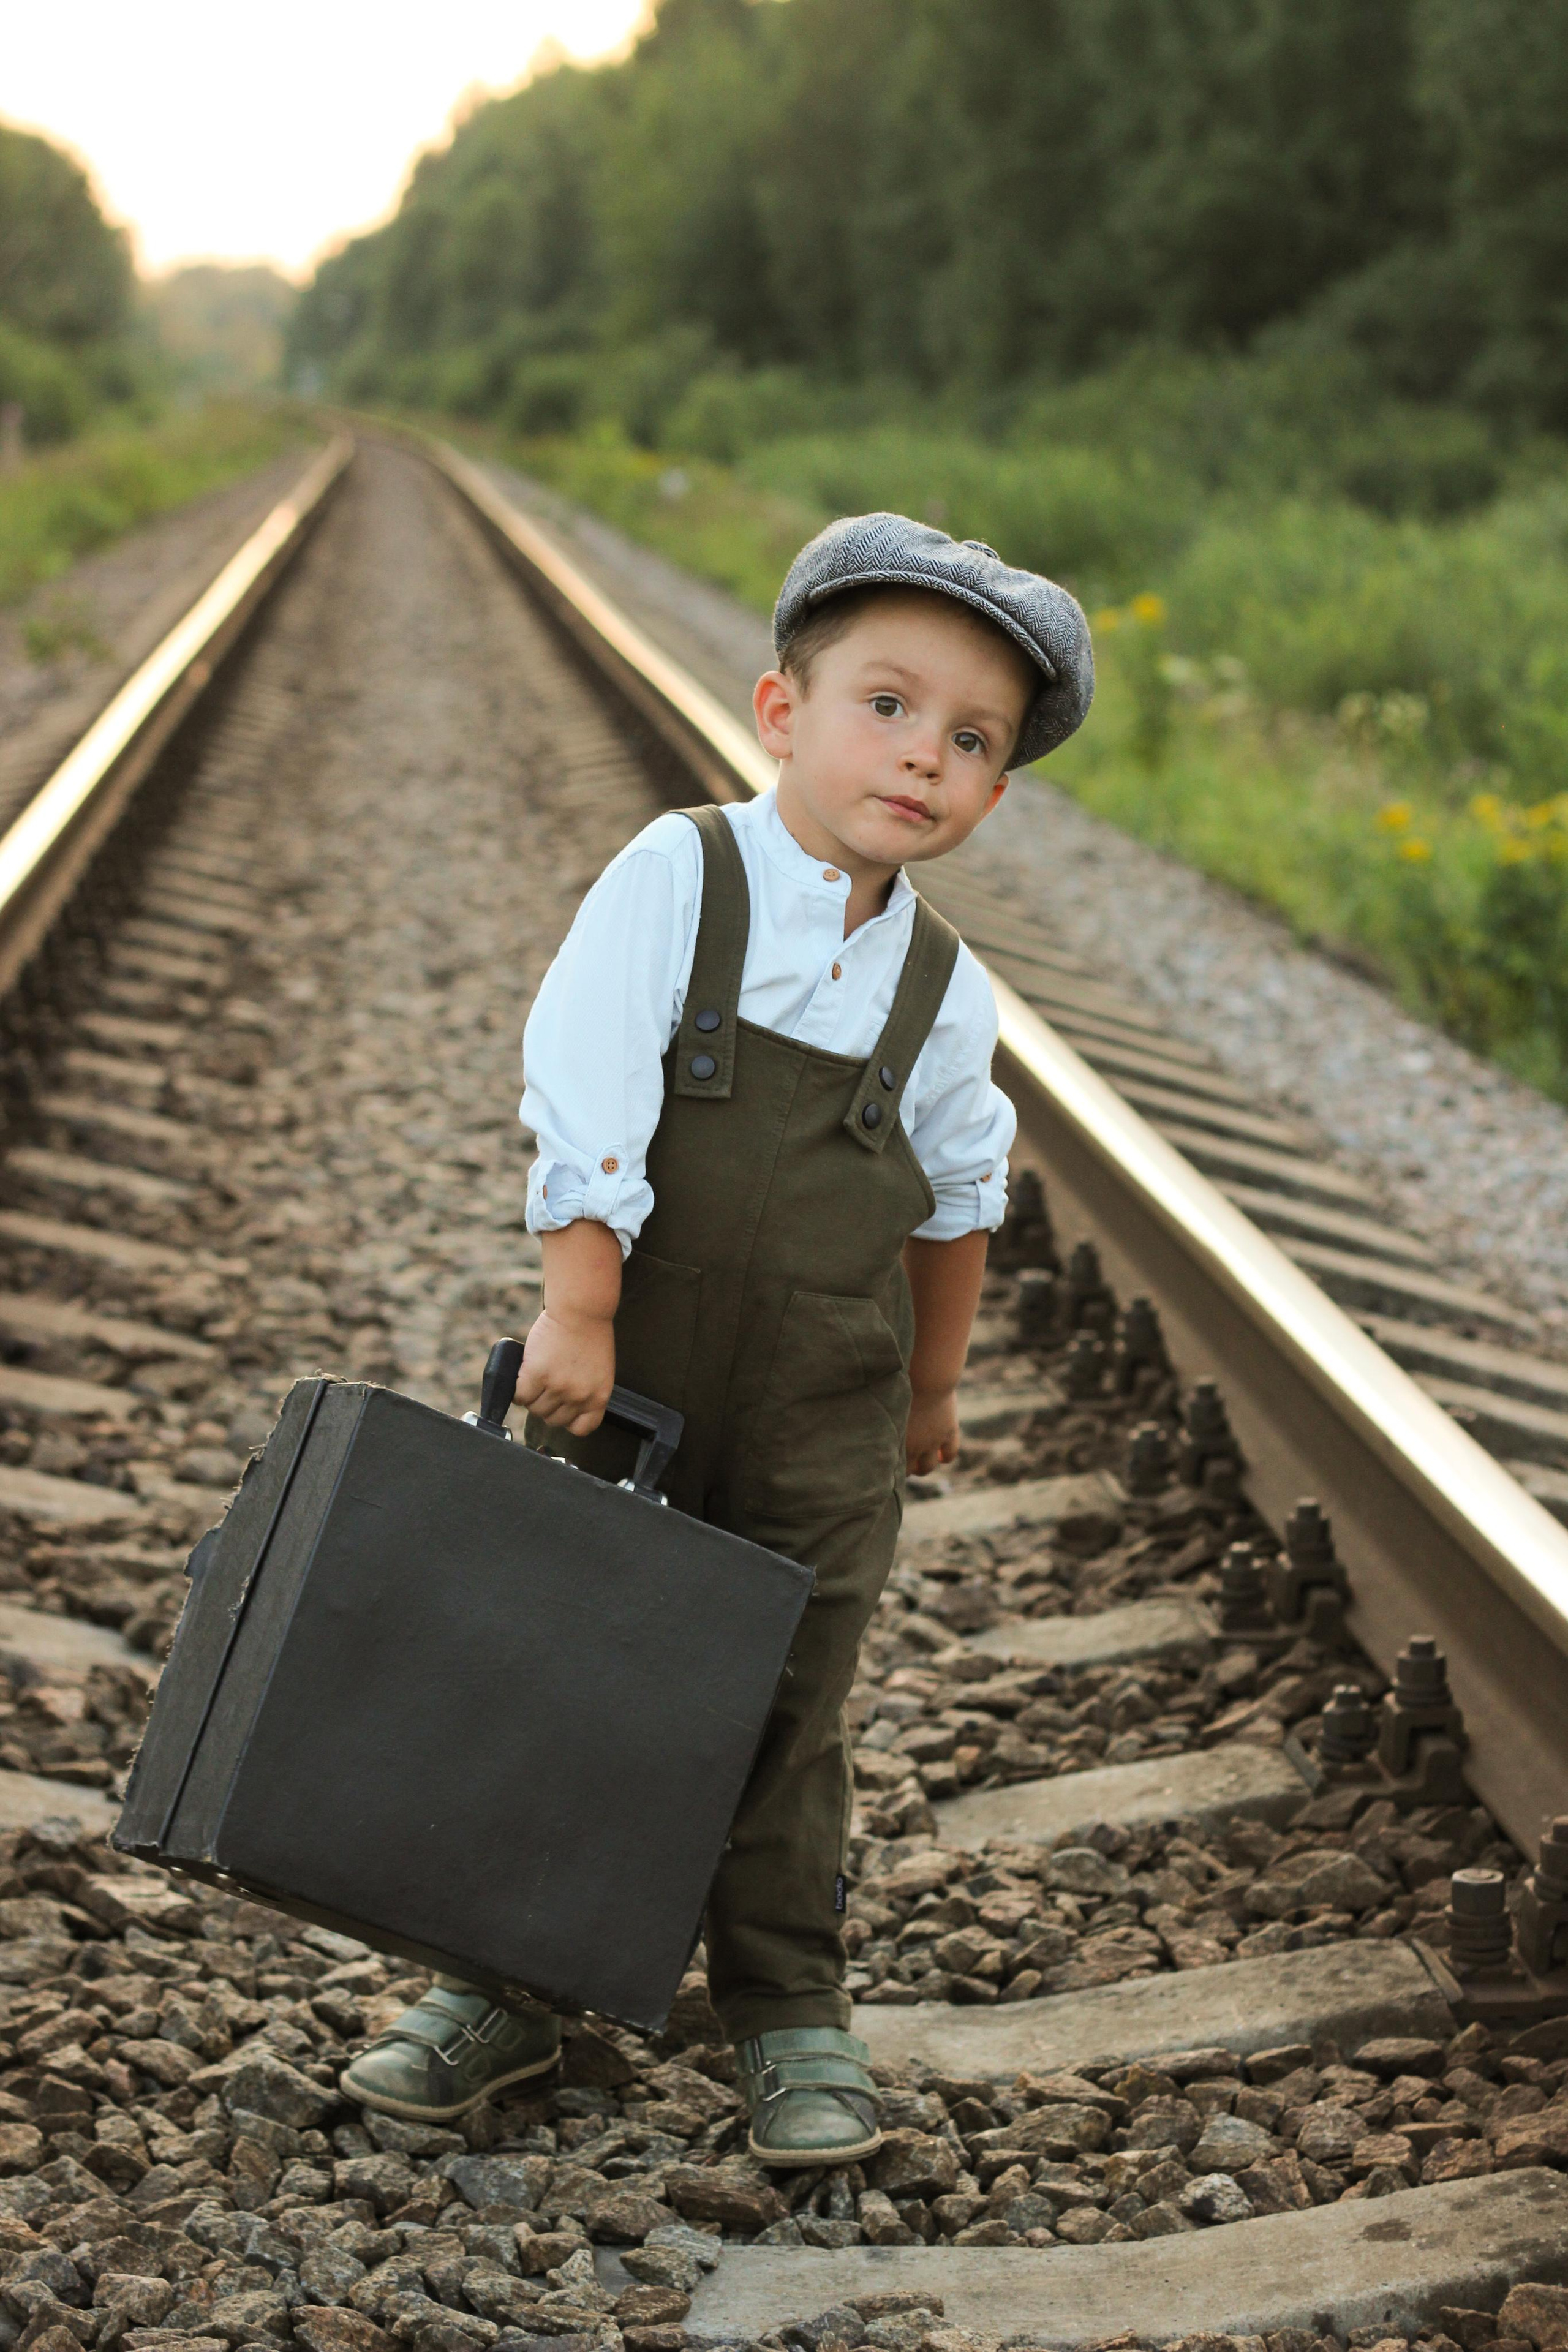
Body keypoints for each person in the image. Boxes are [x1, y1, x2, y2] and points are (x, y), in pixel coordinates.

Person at [341, 512, 1093, 2161]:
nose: (923, 758)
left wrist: (936, 1384)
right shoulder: (683, 876)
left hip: (830, 1400)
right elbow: (584, 1084)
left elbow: (960, 1194)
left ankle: (787, 2006)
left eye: (970, 741)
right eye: (887, 707)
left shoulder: (943, 987)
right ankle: (504, 1987)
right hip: (639, 1376)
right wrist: (581, 1306)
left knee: (790, 1699)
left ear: (997, 793)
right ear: (780, 712)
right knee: (576, 1656)